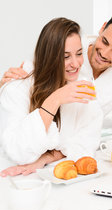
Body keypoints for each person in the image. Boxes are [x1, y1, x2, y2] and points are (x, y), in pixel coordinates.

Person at [0, 11, 112, 159]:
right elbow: (37, 73)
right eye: (104, 41)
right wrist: (10, 84)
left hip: (68, 156)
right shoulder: (71, 42)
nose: (103, 53)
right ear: (102, 29)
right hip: (32, 150)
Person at [0, 17, 103, 176]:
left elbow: (86, 142)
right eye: (65, 56)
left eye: (79, 53)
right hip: (15, 180)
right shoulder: (17, 87)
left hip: (59, 179)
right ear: (48, 57)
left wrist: (46, 158)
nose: (75, 64)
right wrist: (54, 100)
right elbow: (19, 152)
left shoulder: (82, 87)